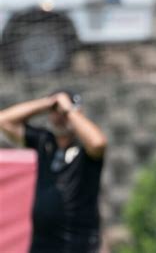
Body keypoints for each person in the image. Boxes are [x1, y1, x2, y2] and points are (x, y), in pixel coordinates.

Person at [0, 90, 107, 253]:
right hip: (42, 244)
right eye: (56, 113)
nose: (60, 117)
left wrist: (68, 110)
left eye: (63, 113)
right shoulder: (45, 142)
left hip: (78, 244)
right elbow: (5, 120)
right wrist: (47, 103)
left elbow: (98, 143)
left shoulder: (85, 149)